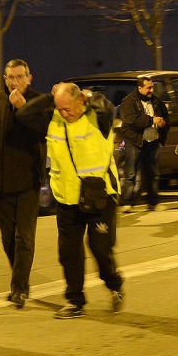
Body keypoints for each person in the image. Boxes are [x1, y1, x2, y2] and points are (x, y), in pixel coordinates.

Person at [18, 82, 124, 320]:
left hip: (100, 197)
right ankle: (75, 301)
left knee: (100, 249)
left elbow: (106, 106)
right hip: (67, 198)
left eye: (68, 108)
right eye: (60, 109)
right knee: (69, 254)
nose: (64, 114)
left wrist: (88, 95)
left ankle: (114, 283)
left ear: (81, 102)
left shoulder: (99, 118)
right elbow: (25, 114)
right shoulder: (53, 119)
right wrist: (51, 96)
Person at [0, 59, 46, 309]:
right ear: (4, 79)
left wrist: (23, 108)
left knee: (24, 237)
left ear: (29, 77)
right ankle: (19, 280)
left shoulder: (38, 102)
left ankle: (19, 288)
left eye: (19, 77)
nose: (15, 82)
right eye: (10, 78)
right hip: (1, 179)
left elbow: (42, 132)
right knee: (8, 238)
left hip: (28, 180)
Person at [119, 76, 170, 211]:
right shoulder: (129, 102)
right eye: (148, 87)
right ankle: (127, 203)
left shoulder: (156, 101)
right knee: (131, 174)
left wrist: (163, 125)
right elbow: (132, 121)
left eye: (152, 87)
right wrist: (152, 120)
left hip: (152, 141)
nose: (151, 90)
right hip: (134, 141)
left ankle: (153, 203)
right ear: (139, 87)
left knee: (153, 173)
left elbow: (165, 116)